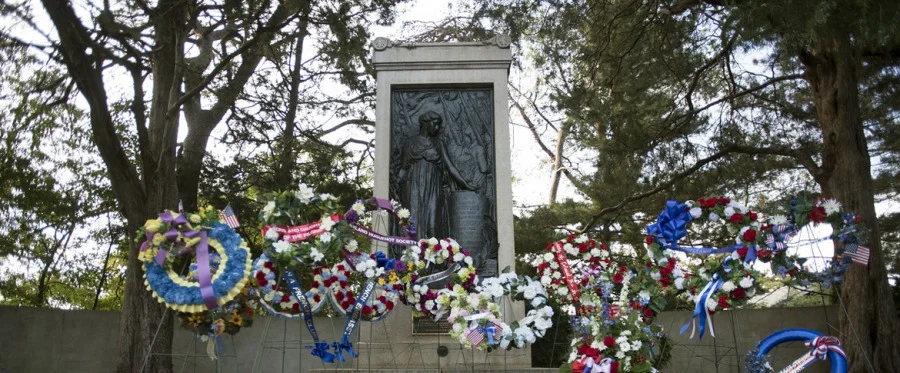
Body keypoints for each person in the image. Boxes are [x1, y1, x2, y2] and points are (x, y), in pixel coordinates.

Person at [397, 111, 472, 239]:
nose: (437, 128)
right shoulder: (411, 142)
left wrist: (465, 184)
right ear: (426, 123)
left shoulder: (439, 143)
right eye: (435, 124)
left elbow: (450, 166)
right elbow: (403, 168)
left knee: (433, 223)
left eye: (438, 125)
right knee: (413, 222)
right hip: (414, 186)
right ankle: (412, 255)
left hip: (433, 187)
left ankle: (435, 255)